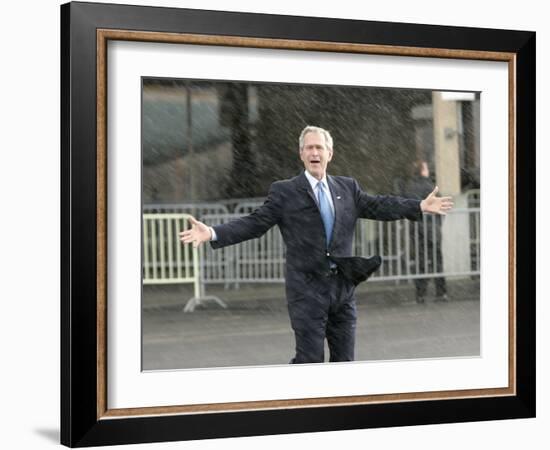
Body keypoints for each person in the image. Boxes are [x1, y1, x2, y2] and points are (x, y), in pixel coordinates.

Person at [180, 126, 453, 364]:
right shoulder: (285, 191)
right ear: (301, 154)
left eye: (319, 148)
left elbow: (380, 205)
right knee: (309, 361)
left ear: (329, 154)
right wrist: (213, 233)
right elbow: (255, 223)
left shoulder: (347, 188)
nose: (314, 153)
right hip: (306, 290)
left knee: (344, 361)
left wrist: (418, 205)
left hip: (342, 290)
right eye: (309, 148)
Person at [400, 160, 448, 303]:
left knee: (420, 261)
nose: (428, 170)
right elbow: (442, 206)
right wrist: (438, 224)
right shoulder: (430, 187)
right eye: (426, 168)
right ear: (422, 171)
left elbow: (405, 204)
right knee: (436, 260)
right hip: (432, 229)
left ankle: (420, 294)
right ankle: (441, 292)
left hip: (416, 228)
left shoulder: (409, 187)